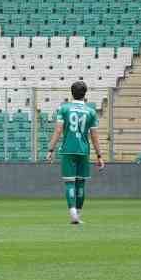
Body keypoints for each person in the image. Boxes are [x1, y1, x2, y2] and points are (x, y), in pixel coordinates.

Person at [45, 80, 105, 225]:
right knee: (81, 183)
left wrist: (50, 149)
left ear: (71, 93)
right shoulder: (91, 112)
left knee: (69, 183)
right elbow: (94, 136)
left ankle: (72, 212)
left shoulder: (64, 109)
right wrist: (99, 155)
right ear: (85, 94)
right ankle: (78, 213)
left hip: (68, 150)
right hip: (83, 151)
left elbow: (58, 130)